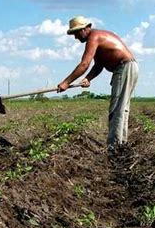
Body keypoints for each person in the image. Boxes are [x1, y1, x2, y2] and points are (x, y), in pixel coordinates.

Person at [57, 16, 139, 153]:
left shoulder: (93, 37)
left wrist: (66, 82)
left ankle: (114, 149)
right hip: (128, 67)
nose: (76, 37)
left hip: (124, 67)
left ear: (86, 28)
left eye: (77, 33)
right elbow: (99, 64)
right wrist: (88, 78)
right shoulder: (98, 37)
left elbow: (84, 64)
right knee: (121, 108)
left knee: (117, 109)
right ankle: (120, 145)